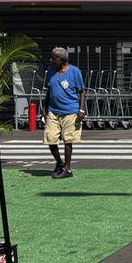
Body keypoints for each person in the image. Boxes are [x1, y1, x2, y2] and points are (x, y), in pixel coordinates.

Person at [44, 47, 85, 179]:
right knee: (50, 138)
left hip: (70, 111)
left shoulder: (74, 71)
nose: (51, 60)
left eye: (53, 58)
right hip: (53, 111)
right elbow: (49, 91)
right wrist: (44, 108)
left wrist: (81, 110)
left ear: (62, 60)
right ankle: (60, 163)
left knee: (68, 140)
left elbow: (82, 91)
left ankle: (67, 169)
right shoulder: (50, 71)